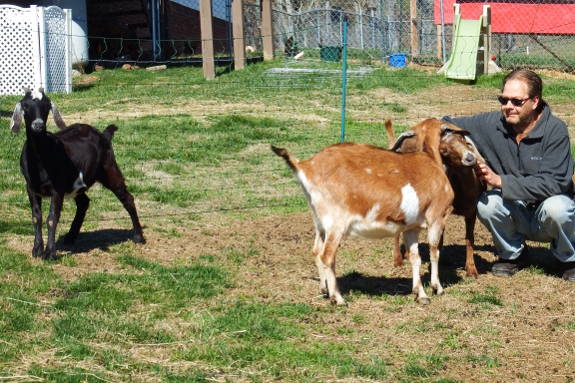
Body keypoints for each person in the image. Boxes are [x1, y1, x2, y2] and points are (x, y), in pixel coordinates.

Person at [441, 69, 575, 281]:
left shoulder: (555, 130)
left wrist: (500, 181)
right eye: (503, 100)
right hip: (516, 209)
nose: (508, 107)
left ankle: (567, 258)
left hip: (547, 212)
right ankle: (514, 254)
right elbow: (445, 122)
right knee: (487, 203)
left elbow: (554, 183)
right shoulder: (492, 124)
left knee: (559, 207)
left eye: (516, 101)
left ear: (535, 101)